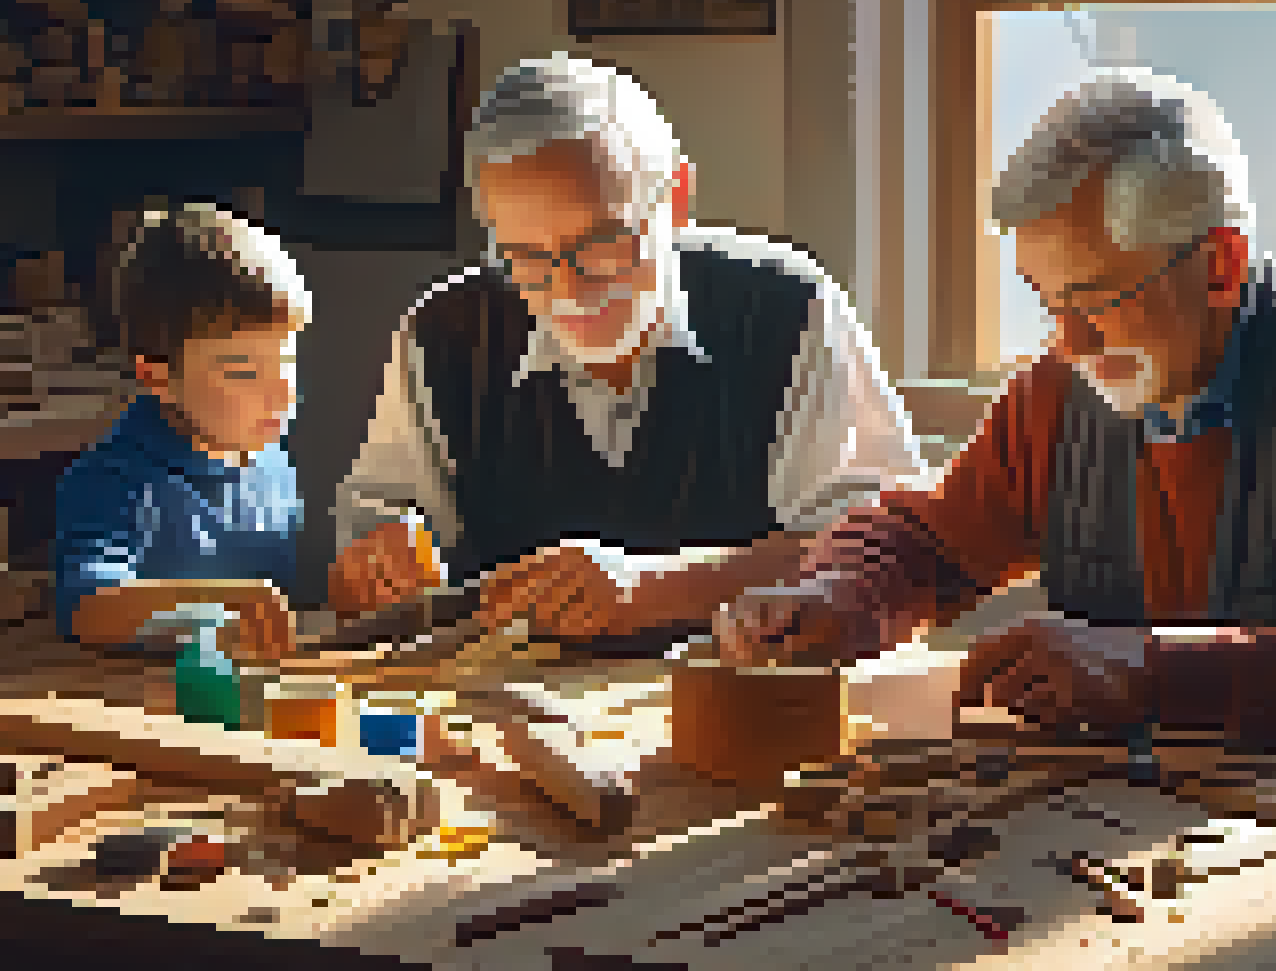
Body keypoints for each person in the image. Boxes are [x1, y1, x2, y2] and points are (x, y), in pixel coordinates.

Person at [717, 68, 1276, 752]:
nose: (1068, 341)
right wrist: (837, 597)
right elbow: (928, 543)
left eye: (1097, 299)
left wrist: (1153, 670)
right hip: (1178, 817)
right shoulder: (1061, 390)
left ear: (1220, 264)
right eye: (1048, 302)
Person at [331, 53, 925, 638]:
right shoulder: (444, 334)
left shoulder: (788, 308)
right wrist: (375, 564)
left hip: (740, 682)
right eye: (527, 258)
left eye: (602, 243)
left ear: (676, 198)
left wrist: (659, 587)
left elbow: (883, 551)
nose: (567, 288)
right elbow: (365, 554)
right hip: (501, 692)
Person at [53, 204, 305, 660]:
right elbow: (87, 610)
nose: (280, 392)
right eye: (243, 371)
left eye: (286, 362)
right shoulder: (116, 481)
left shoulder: (271, 463)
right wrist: (216, 602)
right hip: (139, 697)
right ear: (158, 379)